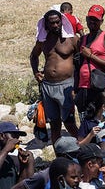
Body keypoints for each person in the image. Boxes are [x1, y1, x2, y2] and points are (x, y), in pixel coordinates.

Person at [30, 9, 79, 144]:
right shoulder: (43, 40)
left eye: (57, 22)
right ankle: (59, 157)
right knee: (54, 124)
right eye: (52, 23)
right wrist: (35, 72)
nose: (55, 25)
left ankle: (83, 149)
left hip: (66, 86)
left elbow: (82, 61)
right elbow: (34, 56)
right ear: (46, 25)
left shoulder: (72, 39)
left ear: (62, 22)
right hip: (48, 86)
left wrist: (77, 85)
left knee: (69, 123)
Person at [76, 5, 105, 118]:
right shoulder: (82, 39)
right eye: (91, 19)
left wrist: (90, 56)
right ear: (86, 19)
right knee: (85, 120)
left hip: (99, 85)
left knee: (101, 118)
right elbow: (77, 65)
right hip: (83, 87)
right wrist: (75, 88)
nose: (93, 22)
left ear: (101, 21)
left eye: (96, 20)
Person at [12, 136, 80, 189]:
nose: (78, 157)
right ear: (64, 156)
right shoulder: (44, 176)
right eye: (74, 154)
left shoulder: (80, 170)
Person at [0, 122, 34, 188]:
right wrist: (6, 150)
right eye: (14, 136)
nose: (17, 140)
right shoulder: (4, 154)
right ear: (2, 136)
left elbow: (23, 185)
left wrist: (26, 165)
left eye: (17, 137)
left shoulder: (10, 160)